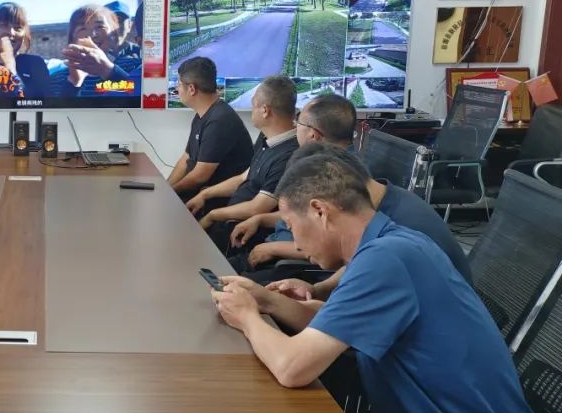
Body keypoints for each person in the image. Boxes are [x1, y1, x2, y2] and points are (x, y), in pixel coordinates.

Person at [210, 146, 543, 413]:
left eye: (293, 226)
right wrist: (266, 302)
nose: (297, 244)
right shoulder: (392, 243)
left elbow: (293, 368)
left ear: (321, 211)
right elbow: (334, 325)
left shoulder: (387, 260)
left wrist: (248, 319)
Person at [231, 98, 473, 284]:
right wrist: (317, 291)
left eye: (299, 123)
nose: (295, 128)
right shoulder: (372, 198)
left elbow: (342, 254)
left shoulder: (391, 244)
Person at [186, 75, 298, 252]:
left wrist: (212, 215)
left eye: (253, 105)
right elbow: (243, 177)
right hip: (227, 219)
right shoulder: (266, 138)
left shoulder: (289, 155)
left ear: (265, 110)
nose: (251, 111)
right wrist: (205, 194)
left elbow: (257, 207)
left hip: (240, 235)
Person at [167, 56, 253, 206]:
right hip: (197, 195)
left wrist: (170, 193)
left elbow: (200, 176)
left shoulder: (220, 120)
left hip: (214, 202)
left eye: (179, 84)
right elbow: (186, 158)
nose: (177, 89)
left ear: (192, 89)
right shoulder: (202, 115)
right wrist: (166, 188)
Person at [62, 3, 143, 98]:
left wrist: (109, 71)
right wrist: (73, 83)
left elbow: (143, 99)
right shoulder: (59, 77)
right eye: (82, 28)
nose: (93, 34)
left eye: (100, 27)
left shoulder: (134, 67)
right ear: (71, 38)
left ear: (113, 34)